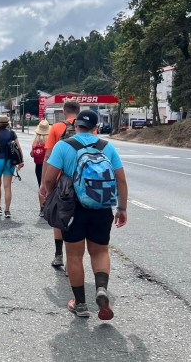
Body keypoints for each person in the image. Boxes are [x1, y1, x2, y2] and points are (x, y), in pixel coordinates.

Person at [40, 110, 128, 320]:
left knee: (74, 256)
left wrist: (50, 195)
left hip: (73, 209)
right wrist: (122, 209)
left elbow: (49, 179)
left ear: (75, 126)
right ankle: (101, 288)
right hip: (102, 208)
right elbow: (121, 180)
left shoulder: (64, 146)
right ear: (96, 127)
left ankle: (80, 304)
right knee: (100, 252)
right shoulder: (107, 147)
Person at [39, 100, 81, 268]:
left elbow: (48, 156)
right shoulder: (87, 127)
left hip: (60, 180)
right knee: (78, 219)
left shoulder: (56, 127)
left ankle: (59, 256)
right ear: (78, 111)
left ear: (64, 112)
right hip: (82, 179)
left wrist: (44, 183)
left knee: (59, 215)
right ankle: (73, 261)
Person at [0, 115, 24, 219]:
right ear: (8, 124)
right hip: (9, 161)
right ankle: (7, 210)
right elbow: (18, 147)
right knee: (7, 186)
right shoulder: (12, 133)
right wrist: (21, 161)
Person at [30, 120, 50, 213]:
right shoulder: (50, 141)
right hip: (49, 166)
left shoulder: (35, 142)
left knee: (41, 185)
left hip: (38, 166)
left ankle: (42, 208)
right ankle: (49, 207)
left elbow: (32, 154)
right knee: (50, 187)